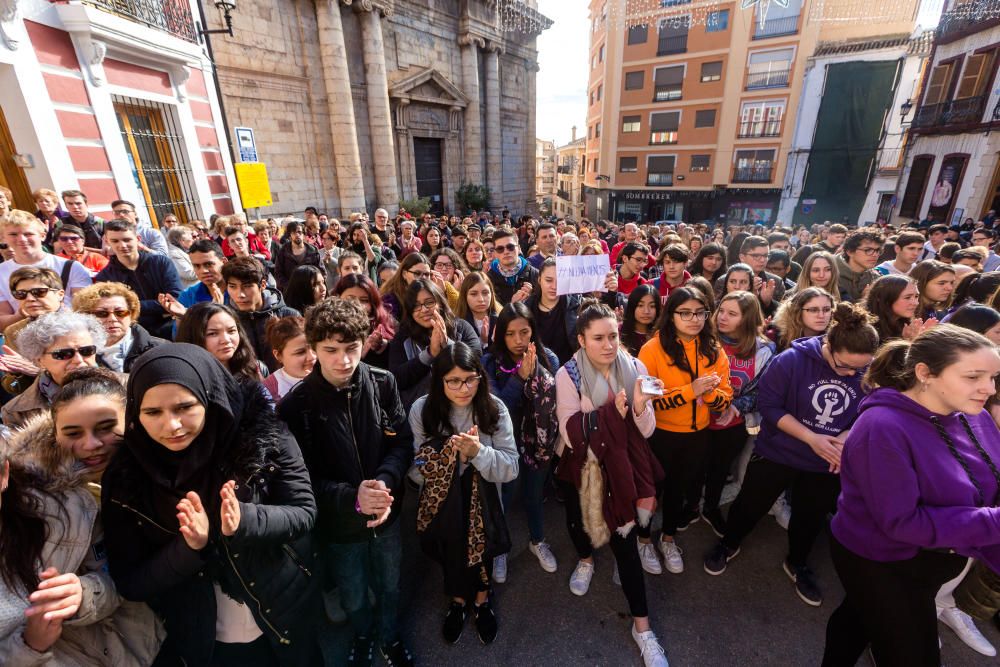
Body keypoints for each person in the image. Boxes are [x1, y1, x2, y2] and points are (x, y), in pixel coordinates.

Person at [101, 344, 322, 666]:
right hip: (202, 633)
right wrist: (190, 549)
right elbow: (131, 581)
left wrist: (244, 520)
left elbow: (303, 511)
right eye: (153, 413)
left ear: (210, 398)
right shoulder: (126, 477)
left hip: (283, 606)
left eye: (184, 407)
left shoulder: (263, 435)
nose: (172, 425)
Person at [822, 326, 1000, 666]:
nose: (988, 389)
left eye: (993, 377)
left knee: (858, 616)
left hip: (937, 559)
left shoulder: (971, 414)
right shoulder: (882, 427)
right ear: (925, 373)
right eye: (974, 376)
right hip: (882, 559)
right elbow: (902, 522)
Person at [704, 302, 880, 607]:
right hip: (779, 451)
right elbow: (770, 407)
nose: (852, 373)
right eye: (844, 367)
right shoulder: (791, 361)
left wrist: (844, 438)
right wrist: (812, 438)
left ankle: (797, 562)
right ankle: (729, 543)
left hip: (829, 459)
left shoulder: (867, 368)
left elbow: (874, 408)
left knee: (810, 515)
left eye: (859, 368)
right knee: (750, 503)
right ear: (829, 344)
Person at [277, 299, 415, 667]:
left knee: (389, 585)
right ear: (314, 349)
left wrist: (384, 484)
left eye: (351, 348)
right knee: (353, 594)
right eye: (330, 350)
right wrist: (352, 498)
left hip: (386, 515)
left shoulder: (383, 383)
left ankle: (389, 636)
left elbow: (401, 442)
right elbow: (300, 479)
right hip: (339, 527)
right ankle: (364, 635)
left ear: (364, 343)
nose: (343, 360)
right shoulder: (296, 407)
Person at [0, 367, 164, 665]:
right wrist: (81, 594)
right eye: (73, 433)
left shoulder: (168, 465)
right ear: (54, 432)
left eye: (105, 427)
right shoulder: (50, 499)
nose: (90, 445)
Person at [554, 301, 668, 667]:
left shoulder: (634, 367)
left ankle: (643, 629)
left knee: (625, 542)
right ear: (582, 340)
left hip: (622, 471)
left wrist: (637, 408)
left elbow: (647, 430)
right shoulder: (567, 374)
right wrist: (613, 416)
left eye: (613, 336)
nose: (608, 345)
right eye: (598, 338)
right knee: (580, 525)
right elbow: (571, 437)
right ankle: (586, 560)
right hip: (585, 471)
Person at [410, 343, 518, 645]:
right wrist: (452, 457)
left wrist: (479, 453)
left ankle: (482, 602)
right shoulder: (422, 409)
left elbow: (511, 468)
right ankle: (458, 602)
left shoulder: (493, 408)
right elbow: (416, 467)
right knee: (452, 551)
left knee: (481, 553)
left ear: (480, 377)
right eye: (453, 381)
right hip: (442, 501)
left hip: (484, 499)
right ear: (439, 380)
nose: (463, 388)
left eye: (470, 378)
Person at [637, 287, 733, 573]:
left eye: (701, 313)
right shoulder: (652, 349)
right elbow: (650, 403)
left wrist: (710, 396)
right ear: (672, 315)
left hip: (697, 435)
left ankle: (668, 538)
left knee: (679, 489)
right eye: (686, 313)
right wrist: (691, 391)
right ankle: (643, 540)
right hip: (660, 434)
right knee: (651, 490)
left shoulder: (713, 349)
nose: (694, 319)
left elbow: (725, 397)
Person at [481, 303, 560, 582]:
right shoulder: (489, 362)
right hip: (506, 445)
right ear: (500, 335)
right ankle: (501, 547)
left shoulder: (548, 357)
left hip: (539, 444)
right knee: (505, 495)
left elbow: (555, 406)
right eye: (510, 334)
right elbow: (497, 409)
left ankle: (537, 540)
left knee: (534, 495)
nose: (518, 340)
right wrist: (520, 378)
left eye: (524, 332)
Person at [698, 291, 774, 536]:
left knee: (720, 469)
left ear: (748, 318)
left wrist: (736, 406)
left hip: (733, 424)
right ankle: (689, 507)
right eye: (721, 311)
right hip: (696, 420)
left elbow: (765, 392)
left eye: (732, 314)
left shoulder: (764, 350)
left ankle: (710, 508)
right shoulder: (701, 339)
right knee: (693, 468)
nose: (722, 317)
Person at [1, 311, 104, 429]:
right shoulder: (16, 411)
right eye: (64, 354)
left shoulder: (126, 386)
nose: (78, 359)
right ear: (39, 359)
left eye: (86, 351)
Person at [387, 280, 481, 406]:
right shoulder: (402, 337)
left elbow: (477, 360)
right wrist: (429, 354)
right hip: (421, 409)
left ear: (440, 303)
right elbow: (397, 378)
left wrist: (447, 344)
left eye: (429, 303)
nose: (424, 309)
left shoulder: (461, 327)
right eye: (416, 306)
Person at [0, 211, 92, 330]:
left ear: (42, 235)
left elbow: (87, 310)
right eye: (13, 234)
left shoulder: (72, 267)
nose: (21, 239)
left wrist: (51, 307)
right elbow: (2, 321)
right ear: (4, 238)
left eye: (28, 234)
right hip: (25, 339)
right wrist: (21, 314)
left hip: (68, 334)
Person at [95, 219, 182, 338]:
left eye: (127, 239)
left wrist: (130, 306)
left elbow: (175, 299)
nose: (122, 245)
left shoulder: (161, 263)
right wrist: (158, 305)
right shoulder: (104, 277)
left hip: (171, 325)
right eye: (115, 241)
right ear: (107, 241)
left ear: (138, 239)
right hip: (134, 333)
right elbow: (114, 311)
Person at [223, 257, 299, 371]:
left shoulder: (288, 316)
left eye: (247, 286)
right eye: (233, 286)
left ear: (262, 285)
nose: (240, 294)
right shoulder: (226, 321)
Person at [73, 282, 165, 373]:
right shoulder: (75, 355)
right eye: (101, 313)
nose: (112, 319)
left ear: (131, 314)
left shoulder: (160, 349)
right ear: (85, 316)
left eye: (120, 312)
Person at [176, 302, 265, 385]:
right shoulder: (186, 382)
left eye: (231, 331)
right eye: (213, 334)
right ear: (192, 336)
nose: (226, 340)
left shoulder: (255, 368)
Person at [332, 272, 397, 370]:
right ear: (338, 298)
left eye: (364, 300)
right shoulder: (326, 330)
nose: (357, 305)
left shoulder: (389, 324)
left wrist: (383, 346)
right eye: (350, 299)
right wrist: (358, 354)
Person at [862, 274, 931, 342]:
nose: (916, 303)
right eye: (907, 297)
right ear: (884, 298)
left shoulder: (906, 326)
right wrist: (907, 342)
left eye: (916, 296)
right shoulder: (865, 329)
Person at [262, 315, 316, 400]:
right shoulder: (269, 390)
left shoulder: (333, 374)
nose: (311, 357)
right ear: (278, 355)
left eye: (314, 348)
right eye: (300, 352)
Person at [769, 287, 835, 351]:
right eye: (813, 310)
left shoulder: (836, 339)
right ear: (797, 311)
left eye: (826, 309)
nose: (821, 315)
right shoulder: (774, 336)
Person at [487, 228, 539, 304]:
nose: (506, 252)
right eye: (500, 249)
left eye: (510, 247)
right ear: (495, 253)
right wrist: (512, 305)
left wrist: (532, 298)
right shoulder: (488, 280)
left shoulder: (536, 275)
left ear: (519, 248)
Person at [380, 252, 432, 321]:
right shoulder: (390, 300)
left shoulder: (432, 293)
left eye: (427, 274)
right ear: (404, 274)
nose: (423, 278)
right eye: (417, 273)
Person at [456, 271, 500, 348]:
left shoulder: (500, 319)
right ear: (465, 296)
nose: (481, 299)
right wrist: (482, 341)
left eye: (485, 293)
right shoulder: (458, 325)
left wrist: (489, 341)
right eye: (474, 294)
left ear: (491, 294)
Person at [274, 221, 321, 291]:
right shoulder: (283, 251)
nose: (297, 235)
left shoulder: (313, 250)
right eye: (294, 232)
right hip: (290, 292)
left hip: (311, 290)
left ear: (304, 234)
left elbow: (321, 270)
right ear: (290, 235)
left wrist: (314, 284)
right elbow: (278, 273)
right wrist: (289, 286)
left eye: (299, 232)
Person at [836, 232, 882, 303]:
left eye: (877, 250)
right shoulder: (829, 273)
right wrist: (863, 300)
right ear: (850, 252)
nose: (875, 255)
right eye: (868, 250)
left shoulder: (876, 278)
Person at [620, 284, 661, 357]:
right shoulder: (619, 331)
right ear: (632, 306)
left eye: (652, 306)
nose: (646, 311)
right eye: (640, 305)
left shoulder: (663, 333)